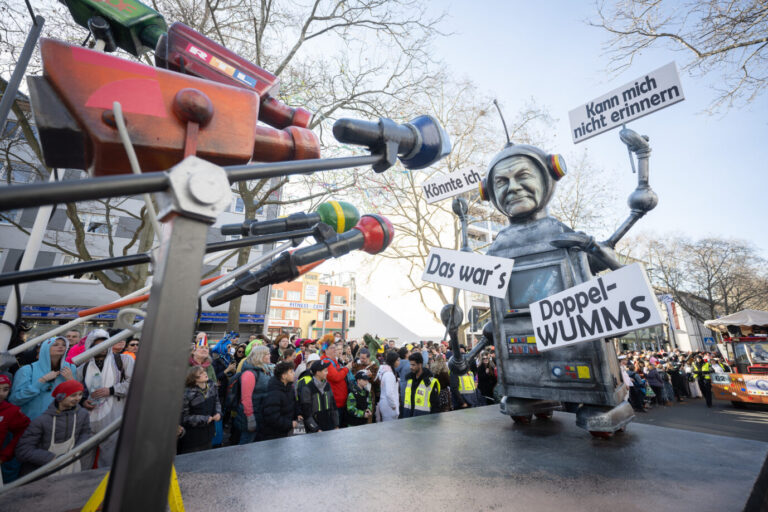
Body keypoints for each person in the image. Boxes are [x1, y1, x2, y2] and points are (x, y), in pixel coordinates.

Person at [78, 328, 134, 467]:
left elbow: (134, 382)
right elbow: (77, 390)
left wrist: (111, 390)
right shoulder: (83, 366)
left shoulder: (123, 360)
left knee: (109, 461)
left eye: (104, 344)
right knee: (83, 460)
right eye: (97, 345)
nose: (102, 348)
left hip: (114, 415)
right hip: (88, 418)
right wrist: (83, 401)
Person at [15, 380, 91, 476]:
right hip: (44, 471)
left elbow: (85, 433)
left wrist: (77, 450)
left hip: (71, 467)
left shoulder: (82, 414)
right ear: (60, 397)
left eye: (80, 394)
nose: (77, 398)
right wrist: (51, 458)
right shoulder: (41, 421)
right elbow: (22, 451)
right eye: (73, 395)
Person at [10, 336, 77, 421]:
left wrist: (71, 381)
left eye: (64, 345)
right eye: (55, 345)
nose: (61, 347)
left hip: (60, 422)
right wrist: (41, 381)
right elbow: (15, 400)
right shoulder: (27, 370)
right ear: (45, 348)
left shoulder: (71, 368)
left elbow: (76, 398)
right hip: (31, 421)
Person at [234, 345, 272, 444]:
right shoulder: (249, 373)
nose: (270, 355)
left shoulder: (265, 370)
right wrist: (250, 418)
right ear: (260, 356)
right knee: (246, 442)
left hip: (260, 413)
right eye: (267, 354)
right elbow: (246, 398)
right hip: (250, 415)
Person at [178, 366, 221, 454]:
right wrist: (203, 419)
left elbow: (217, 402)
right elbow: (184, 417)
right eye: (201, 373)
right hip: (193, 438)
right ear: (194, 378)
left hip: (209, 434)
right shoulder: (187, 393)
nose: (205, 373)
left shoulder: (212, 385)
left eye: (204, 371)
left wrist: (218, 412)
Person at [0, 373, 30, 484]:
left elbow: (23, 431)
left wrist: (5, 455)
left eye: (5, 389)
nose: (1, 394)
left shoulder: (11, 411)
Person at [261, 362, 298, 440]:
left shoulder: (289, 387)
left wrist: (298, 414)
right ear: (284, 376)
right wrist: (290, 424)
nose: (294, 374)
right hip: (275, 435)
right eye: (291, 372)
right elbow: (272, 417)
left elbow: (294, 404)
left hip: (286, 431)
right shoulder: (274, 393)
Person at [299, 360, 338, 433]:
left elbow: (333, 407)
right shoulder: (307, 388)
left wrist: (336, 425)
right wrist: (316, 429)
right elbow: (307, 413)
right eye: (325, 371)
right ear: (317, 372)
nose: (327, 372)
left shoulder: (327, 385)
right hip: (315, 430)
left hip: (329, 427)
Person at [321, 341, 350, 428]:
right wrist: (346, 368)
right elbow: (336, 377)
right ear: (325, 350)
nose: (335, 350)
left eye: (335, 348)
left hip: (340, 402)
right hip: (335, 404)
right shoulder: (326, 361)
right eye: (332, 348)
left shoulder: (333, 361)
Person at [402, 353, 440, 417]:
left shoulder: (431, 382)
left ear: (420, 365)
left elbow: (435, 405)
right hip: (409, 418)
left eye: (413, 365)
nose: (411, 367)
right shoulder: (409, 380)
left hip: (425, 420)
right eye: (410, 365)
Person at [376, 351, 399, 422]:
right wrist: (393, 405)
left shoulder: (385, 371)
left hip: (386, 404)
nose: (399, 362)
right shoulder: (389, 374)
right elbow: (389, 393)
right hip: (389, 406)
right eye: (398, 360)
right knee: (389, 428)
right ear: (393, 361)